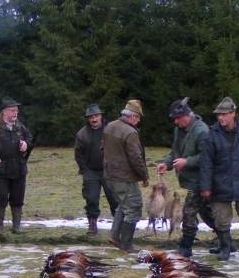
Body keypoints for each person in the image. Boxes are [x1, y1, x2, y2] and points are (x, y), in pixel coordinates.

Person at [198, 97, 239, 261]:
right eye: (218, 115)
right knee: (221, 219)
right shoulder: (212, 134)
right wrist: (205, 186)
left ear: (233, 113)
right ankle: (225, 248)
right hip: (220, 182)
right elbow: (206, 163)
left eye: (224, 114)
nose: (220, 118)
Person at [155, 97, 214, 257]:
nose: (175, 122)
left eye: (177, 118)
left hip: (202, 179)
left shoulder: (202, 131)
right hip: (190, 179)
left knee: (188, 211)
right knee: (207, 212)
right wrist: (166, 164)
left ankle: (185, 246)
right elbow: (175, 152)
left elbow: (207, 157)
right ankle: (227, 242)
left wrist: (186, 162)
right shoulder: (178, 131)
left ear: (187, 115)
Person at [102, 99, 149, 253]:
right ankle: (126, 245)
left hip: (110, 176)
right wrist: (144, 176)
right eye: (138, 117)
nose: (139, 120)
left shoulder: (109, 126)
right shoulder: (130, 132)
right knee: (134, 208)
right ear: (133, 116)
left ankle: (114, 235)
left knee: (123, 205)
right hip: (125, 178)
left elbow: (102, 148)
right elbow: (136, 158)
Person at [0, 96, 34, 234]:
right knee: (1, 198)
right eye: (12, 110)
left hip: (19, 169)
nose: (15, 113)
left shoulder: (20, 126)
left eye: (16, 110)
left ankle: (16, 227)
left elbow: (30, 139)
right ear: (4, 111)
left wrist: (26, 144)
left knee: (18, 199)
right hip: (1, 170)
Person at [74, 103, 118, 235]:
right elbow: (78, 153)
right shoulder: (82, 134)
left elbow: (118, 149)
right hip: (91, 172)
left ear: (101, 116)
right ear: (87, 119)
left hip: (109, 171)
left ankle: (118, 225)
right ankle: (92, 225)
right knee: (91, 199)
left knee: (115, 199)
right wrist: (85, 169)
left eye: (96, 116)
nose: (94, 119)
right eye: (91, 117)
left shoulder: (111, 130)